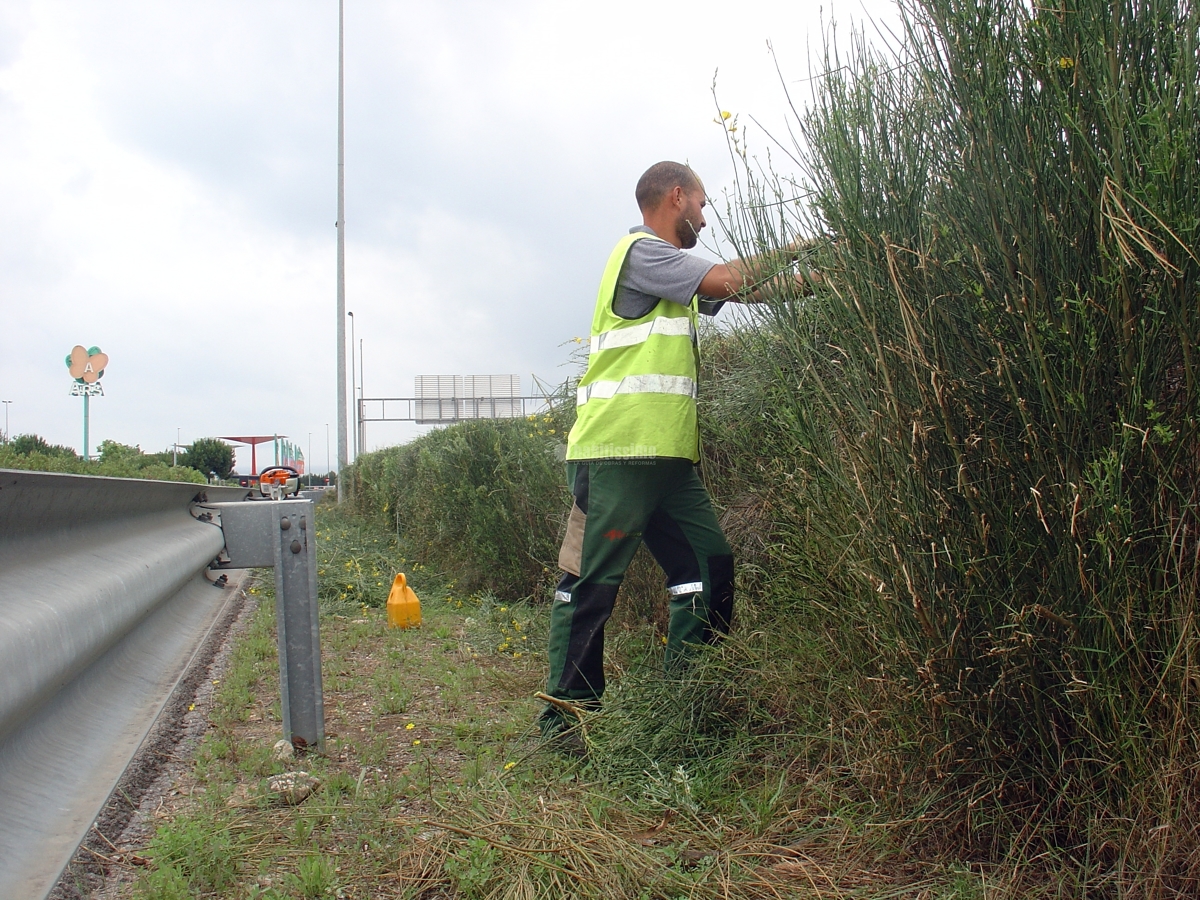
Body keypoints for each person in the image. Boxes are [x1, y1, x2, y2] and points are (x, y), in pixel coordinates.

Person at [541, 160, 816, 743]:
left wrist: (828, 281)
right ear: (676, 197)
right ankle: (564, 724)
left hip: (666, 460)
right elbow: (734, 278)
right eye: (701, 202)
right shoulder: (642, 253)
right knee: (587, 585)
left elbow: (752, 292)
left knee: (708, 569)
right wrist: (802, 244)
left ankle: (686, 709)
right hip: (615, 453)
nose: (704, 214)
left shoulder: (674, 277)